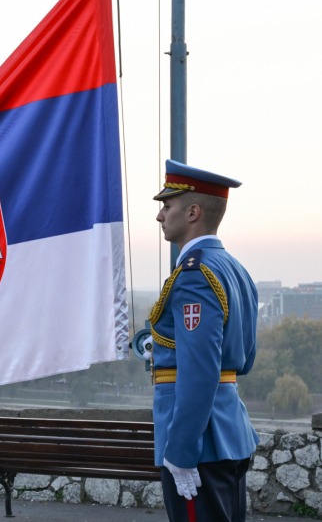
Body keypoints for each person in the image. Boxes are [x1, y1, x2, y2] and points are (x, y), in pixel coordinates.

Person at [148, 160, 260, 522]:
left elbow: (199, 372)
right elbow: (244, 357)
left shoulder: (195, 275)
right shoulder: (234, 268)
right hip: (228, 429)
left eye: (167, 207)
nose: (160, 217)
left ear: (193, 212)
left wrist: (181, 450)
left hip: (200, 444)